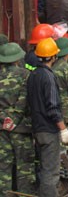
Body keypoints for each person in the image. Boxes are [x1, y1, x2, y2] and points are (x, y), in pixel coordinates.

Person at [27, 38, 68, 197]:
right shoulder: (48, 76)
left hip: (37, 129)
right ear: (53, 57)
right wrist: (63, 129)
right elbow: (53, 107)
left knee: (43, 168)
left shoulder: (33, 75)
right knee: (51, 172)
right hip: (48, 130)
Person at [0, 42, 36, 195]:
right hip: (22, 129)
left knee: (3, 167)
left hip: (2, 129)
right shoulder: (25, 75)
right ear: (17, 59)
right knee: (25, 167)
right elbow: (25, 100)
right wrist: (13, 119)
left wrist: (4, 119)